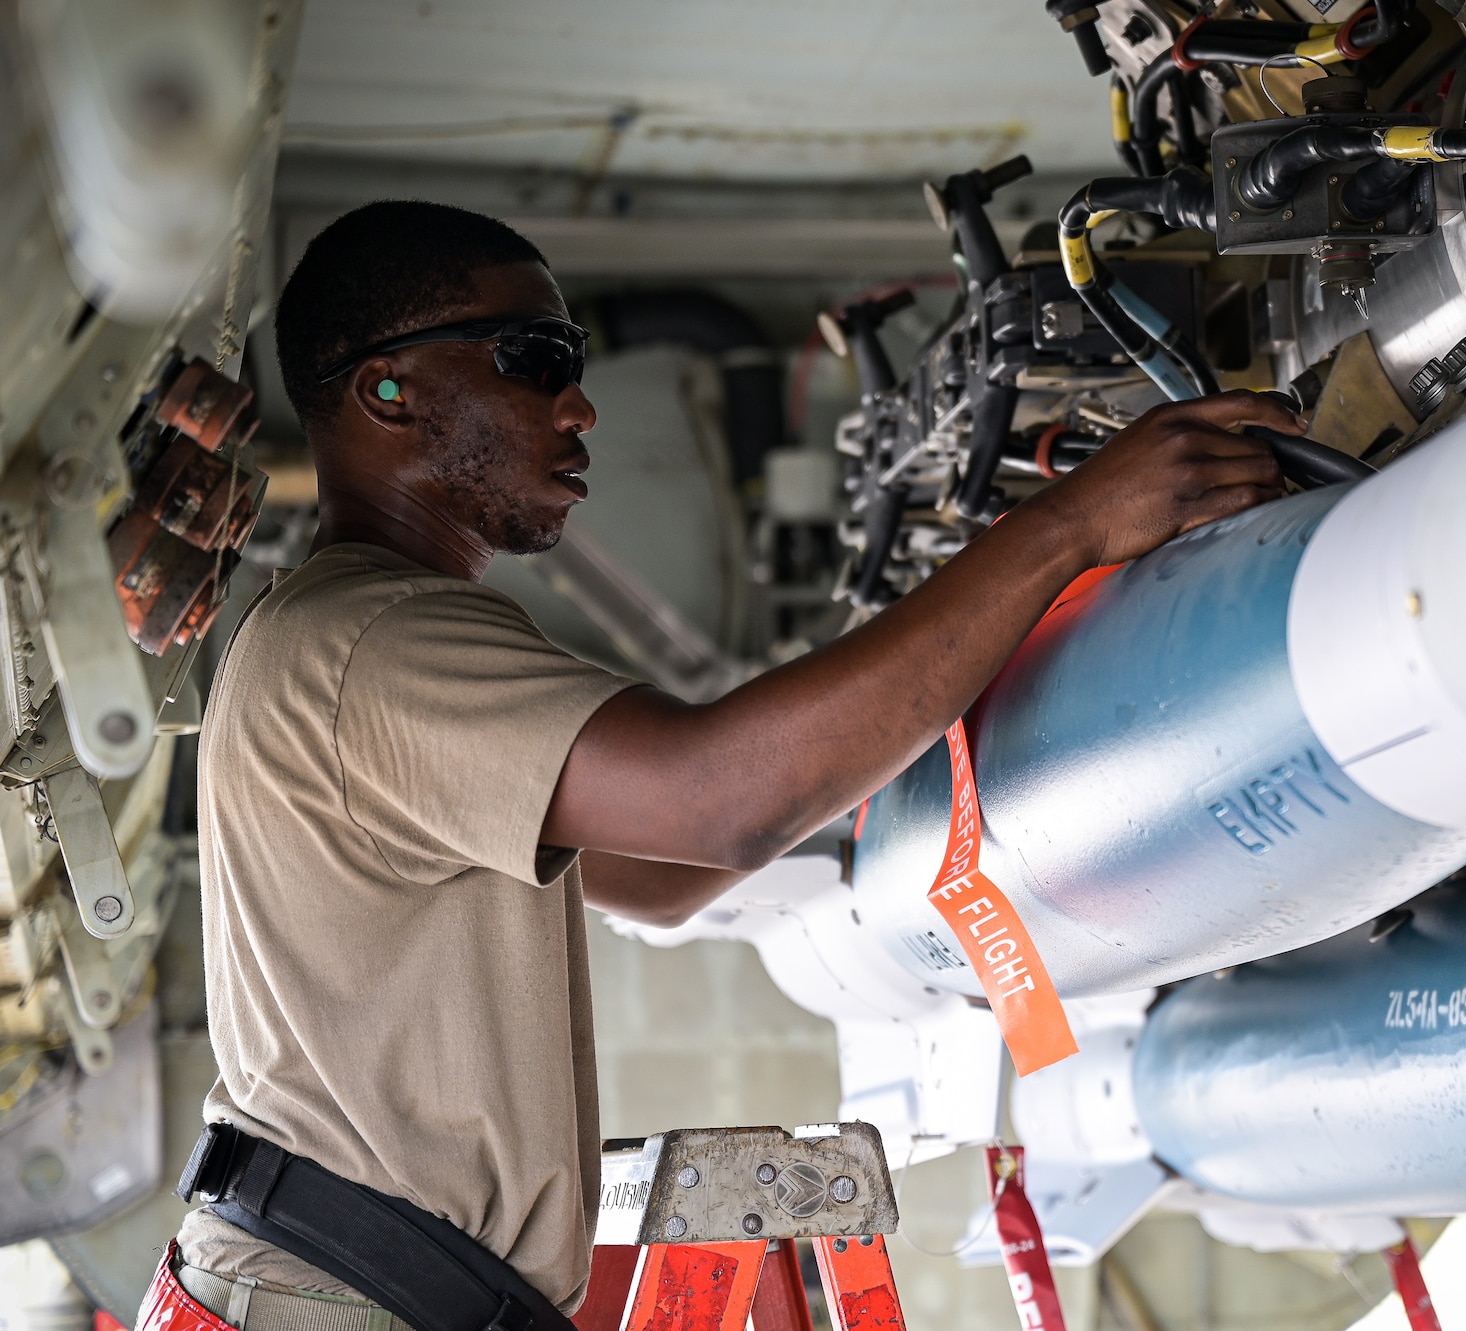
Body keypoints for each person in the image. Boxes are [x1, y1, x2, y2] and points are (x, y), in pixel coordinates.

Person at [157, 201, 1292, 1328]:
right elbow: (721, 805)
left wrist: (940, 686)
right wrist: (1064, 529)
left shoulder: (349, 638)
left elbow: (661, 873)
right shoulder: (378, 644)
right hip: (333, 1297)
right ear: (387, 391)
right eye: (532, 358)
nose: (578, 403)